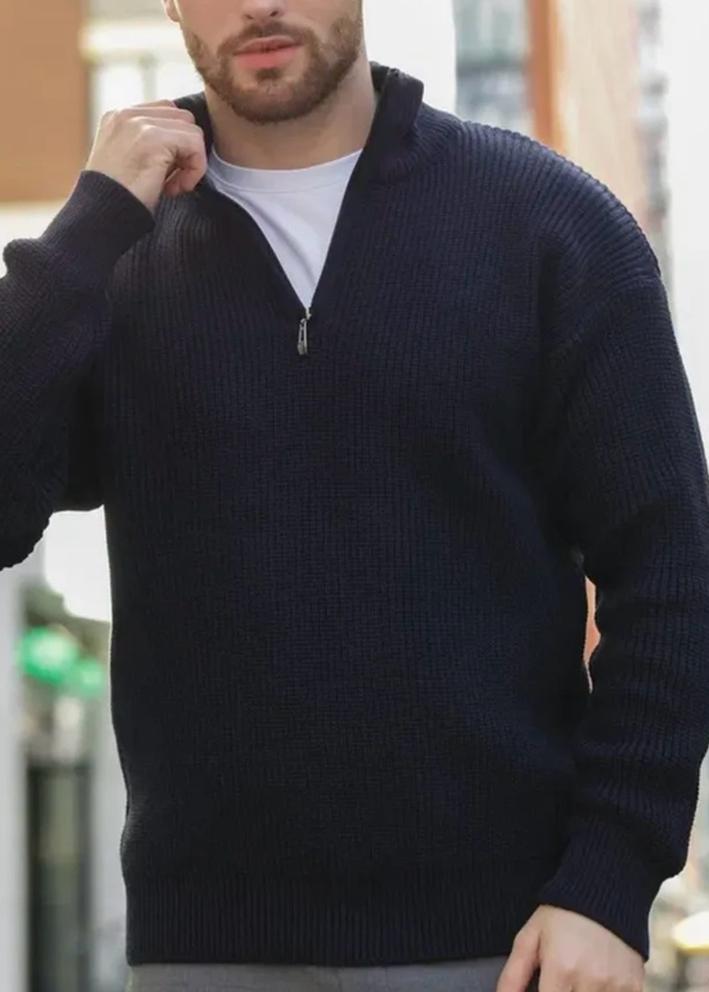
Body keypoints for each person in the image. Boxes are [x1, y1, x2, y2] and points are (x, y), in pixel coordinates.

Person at [2, 1, 708, 990]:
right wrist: (88, 228)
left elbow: (672, 573)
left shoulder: (548, 223)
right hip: (206, 951)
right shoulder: (119, 253)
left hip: (509, 943)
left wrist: (608, 881)